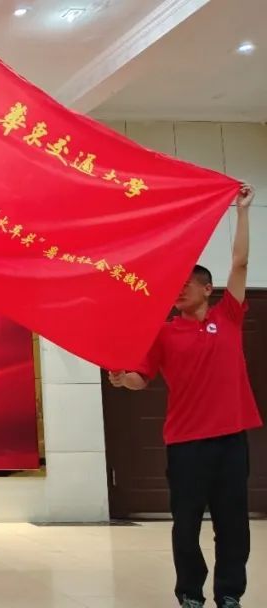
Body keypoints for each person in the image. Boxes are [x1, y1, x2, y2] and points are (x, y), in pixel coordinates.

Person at [109, 185, 258, 608]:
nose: (178, 290)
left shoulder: (228, 317)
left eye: (187, 284)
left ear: (207, 289)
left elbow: (240, 262)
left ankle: (229, 593)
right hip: (185, 443)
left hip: (231, 441)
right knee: (186, 523)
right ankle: (190, 593)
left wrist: (242, 212)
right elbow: (141, 379)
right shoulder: (163, 333)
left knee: (232, 523)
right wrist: (122, 380)